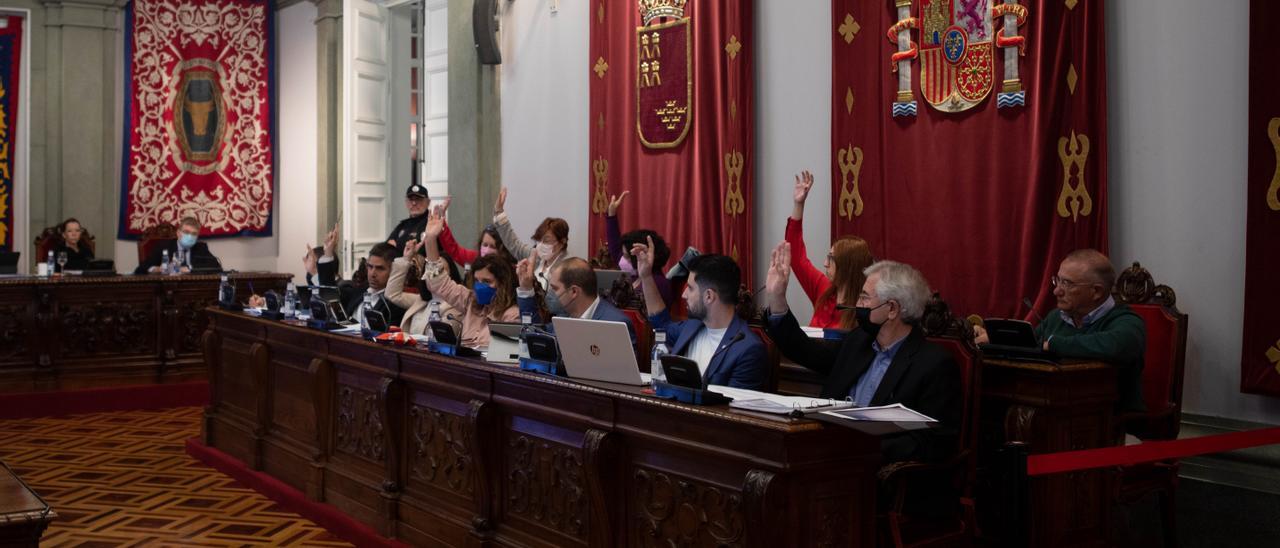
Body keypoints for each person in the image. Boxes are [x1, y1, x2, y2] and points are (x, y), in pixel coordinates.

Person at [764, 241, 960, 463]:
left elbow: (933, 443)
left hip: (878, 475)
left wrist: (856, 452)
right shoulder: (859, 341)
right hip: (825, 461)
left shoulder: (934, 365)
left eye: (864, 297)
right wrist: (777, 299)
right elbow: (805, 351)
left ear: (892, 309)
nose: (857, 304)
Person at [975, 249, 1147, 413]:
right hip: (1053, 406)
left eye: (1067, 283)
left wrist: (1053, 344)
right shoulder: (1056, 317)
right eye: (1057, 280)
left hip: (1107, 418)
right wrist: (997, 339)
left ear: (1096, 291)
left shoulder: (1127, 322)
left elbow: (1116, 346)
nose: (1056, 290)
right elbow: (1032, 345)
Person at [631, 237, 767, 390]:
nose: (683, 295)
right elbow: (661, 324)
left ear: (709, 296)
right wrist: (646, 276)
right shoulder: (692, 327)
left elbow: (733, 411)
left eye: (690, 288)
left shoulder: (748, 350)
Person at [787, 170, 875, 329]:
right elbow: (797, 258)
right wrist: (798, 205)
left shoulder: (865, 305)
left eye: (831, 258)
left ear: (848, 265)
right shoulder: (824, 288)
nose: (825, 263)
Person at [420, 211, 520, 347]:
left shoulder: (512, 315)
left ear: (503, 283)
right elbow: (439, 283)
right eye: (477, 281)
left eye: (487, 281)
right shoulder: (470, 300)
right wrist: (430, 239)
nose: (479, 286)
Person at [514, 257, 636, 342]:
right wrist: (526, 288)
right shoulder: (563, 319)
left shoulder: (616, 325)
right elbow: (535, 334)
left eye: (555, 289)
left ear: (574, 291)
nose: (550, 294)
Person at [491, 187, 571, 314]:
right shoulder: (535, 256)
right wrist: (499, 212)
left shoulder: (568, 267)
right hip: (528, 312)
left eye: (547, 241)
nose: (540, 245)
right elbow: (513, 244)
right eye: (539, 240)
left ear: (562, 242)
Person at [604, 191, 676, 310]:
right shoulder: (634, 276)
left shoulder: (658, 283)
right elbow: (615, 250)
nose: (622, 260)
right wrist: (611, 216)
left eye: (627, 256)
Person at [317, 242, 407, 326]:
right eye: (370, 267)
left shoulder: (397, 303)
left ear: (393, 271)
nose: (372, 273)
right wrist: (328, 254)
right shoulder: (359, 291)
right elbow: (330, 295)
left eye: (380, 268)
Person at [432, 197, 517, 266]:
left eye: (492, 246)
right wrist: (441, 221)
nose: (487, 250)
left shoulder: (509, 269)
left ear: (502, 250)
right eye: (485, 245)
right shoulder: (475, 259)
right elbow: (454, 249)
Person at [135, 216, 221, 274]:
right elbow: (141, 268)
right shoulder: (163, 246)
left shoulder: (201, 247)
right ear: (178, 233)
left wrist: (188, 268)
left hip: (194, 289)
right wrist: (158, 269)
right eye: (186, 232)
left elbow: (216, 267)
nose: (190, 236)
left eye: (194, 234)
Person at [385, 184, 432, 250]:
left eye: (418, 199)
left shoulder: (432, 224)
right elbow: (387, 248)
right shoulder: (402, 225)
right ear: (406, 202)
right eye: (410, 199)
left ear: (428, 202)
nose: (414, 203)